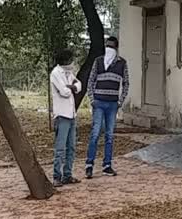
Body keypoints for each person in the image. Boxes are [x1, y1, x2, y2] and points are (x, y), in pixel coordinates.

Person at [85, 36, 129, 178]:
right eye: (107, 46)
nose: (109, 49)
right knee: (95, 133)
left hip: (112, 104)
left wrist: (120, 102)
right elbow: (91, 80)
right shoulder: (98, 61)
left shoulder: (122, 63)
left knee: (109, 135)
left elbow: (126, 83)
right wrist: (92, 99)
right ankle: (89, 164)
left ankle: (107, 165)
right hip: (99, 102)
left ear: (116, 48)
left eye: (111, 46)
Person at [50, 49, 82, 187]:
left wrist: (72, 86)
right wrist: (72, 88)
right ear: (64, 61)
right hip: (62, 114)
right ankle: (57, 175)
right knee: (60, 148)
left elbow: (79, 85)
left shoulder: (68, 73)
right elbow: (64, 92)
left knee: (71, 146)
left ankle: (67, 174)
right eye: (70, 60)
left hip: (71, 113)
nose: (72, 63)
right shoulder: (56, 73)